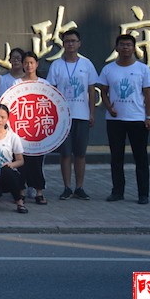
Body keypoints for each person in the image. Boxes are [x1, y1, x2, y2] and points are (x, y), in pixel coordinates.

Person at [97, 34, 150, 204]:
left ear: (133, 48)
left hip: (137, 118)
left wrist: (149, 117)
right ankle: (117, 191)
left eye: (129, 45)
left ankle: (143, 194)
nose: (125, 48)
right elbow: (103, 91)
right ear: (116, 48)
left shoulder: (142, 69)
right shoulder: (109, 69)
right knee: (116, 157)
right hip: (115, 120)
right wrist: (109, 107)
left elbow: (148, 94)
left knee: (141, 158)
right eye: (122, 44)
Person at [47, 29, 99, 200]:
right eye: (67, 41)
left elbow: (92, 91)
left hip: (82, 115)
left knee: (81, 153)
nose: (70, 44)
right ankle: (67, 187)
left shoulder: (87, 64)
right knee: (65, 153)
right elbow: (51, 91)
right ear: (63, 44)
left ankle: (80, 187)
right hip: (63, 117)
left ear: (79, 43)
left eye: (73, 41)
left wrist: (92, 113)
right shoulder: (56, 65)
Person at [13, 51, 50, 204]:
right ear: (22, 64)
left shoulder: (44, 84)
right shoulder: (17, 84)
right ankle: (20, 191)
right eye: (26, 63)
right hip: (21, 129)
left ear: (36, 64)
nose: (28, 65)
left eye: (31, 63)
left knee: (37, 162)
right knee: (22, 162)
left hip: (38, 129)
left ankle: (39, 192)